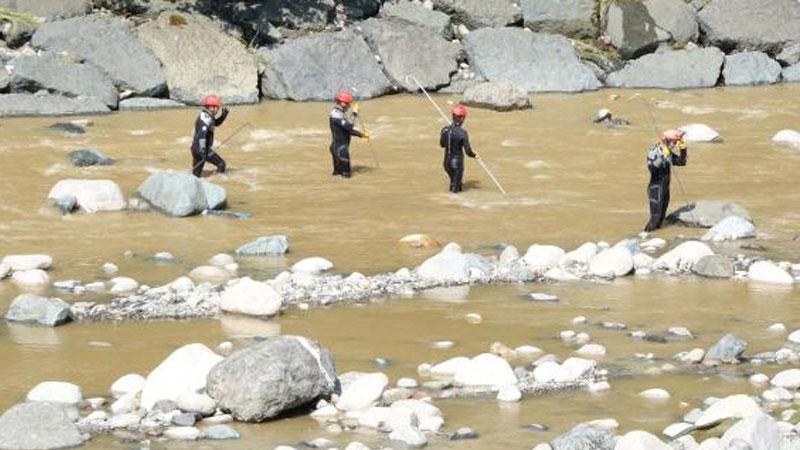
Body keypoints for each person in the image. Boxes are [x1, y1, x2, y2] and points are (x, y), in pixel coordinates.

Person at [644, 129, 688, 232]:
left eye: (677, 142)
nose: (675, 144)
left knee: (661, 220)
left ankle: (656, 239)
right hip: (656, 189)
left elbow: (681, 162)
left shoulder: (668, 152)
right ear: (667, 140)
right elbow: (652, 167)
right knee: (655, 219)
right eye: (674, 141)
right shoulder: (654, 151)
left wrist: (683, 148)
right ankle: (644, 237)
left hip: (665, 189)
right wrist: (662, 155)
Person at [329, 91, 370, 178]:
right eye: (349, 104)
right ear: (343, 103)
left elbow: (347, 126)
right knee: (346, 176)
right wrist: (362, 135)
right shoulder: (337, 116)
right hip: (341, 149)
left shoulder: (337, 113)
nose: (349, 106)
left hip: (336, 147)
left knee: (337, 174)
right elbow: (349, 129)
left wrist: (354, 113)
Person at [440, 105, 479, 193]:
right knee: (455, 190)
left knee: (455, 184)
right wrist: (475, 155)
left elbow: (442, 145)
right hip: (456, 164)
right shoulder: (462, 133)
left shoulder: (444, 130)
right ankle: (453, 204)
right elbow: (468, 151)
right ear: (462, 118)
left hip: (446, 163)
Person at [191, 94, 229, 177]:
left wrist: (223, 115)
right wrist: (203, 151)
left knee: (196, 175)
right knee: (221, 164)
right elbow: (202, 135)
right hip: (201, 148)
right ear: (211, 107)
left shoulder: (207, 115)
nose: (217, 110)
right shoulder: (205, 118)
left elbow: (216, 123)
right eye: (216, 107)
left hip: (196, 148)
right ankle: (219, 181)